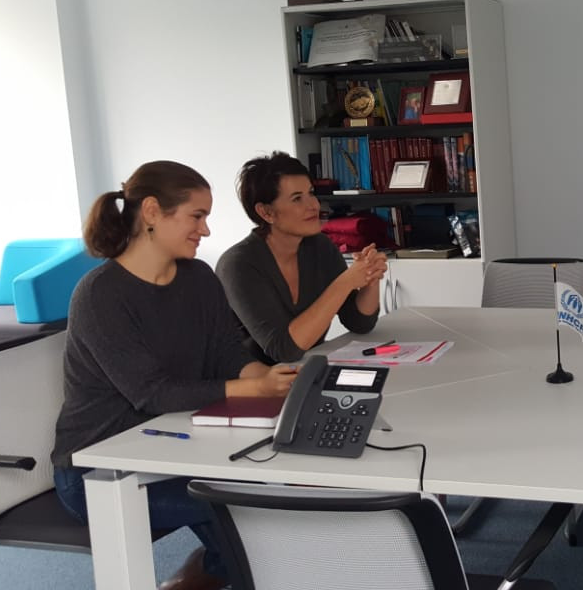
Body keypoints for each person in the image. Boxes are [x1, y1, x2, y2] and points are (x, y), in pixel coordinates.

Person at [51, 161, 299, 590]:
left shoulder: (198, 277)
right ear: (152, 211)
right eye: (196, 216)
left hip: (178, 446)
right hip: (99, 471)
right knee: (248, 509)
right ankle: (207, 575)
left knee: (264, 504)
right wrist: (254, 387)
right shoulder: (99, 294)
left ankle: (206, 575)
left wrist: (271, 379)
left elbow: (226, 352)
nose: (205, 230)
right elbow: (152, 393)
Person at [216, 152, 386, 364]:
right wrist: (345, 282)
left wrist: (370, 276)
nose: (313, 205)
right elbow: (283, 350)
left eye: (311, 193)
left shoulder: (320, 246)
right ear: (266, 212)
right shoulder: (238, 265)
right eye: (297, 198)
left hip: (305, 370)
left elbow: (359, 323)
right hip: (255, 380)